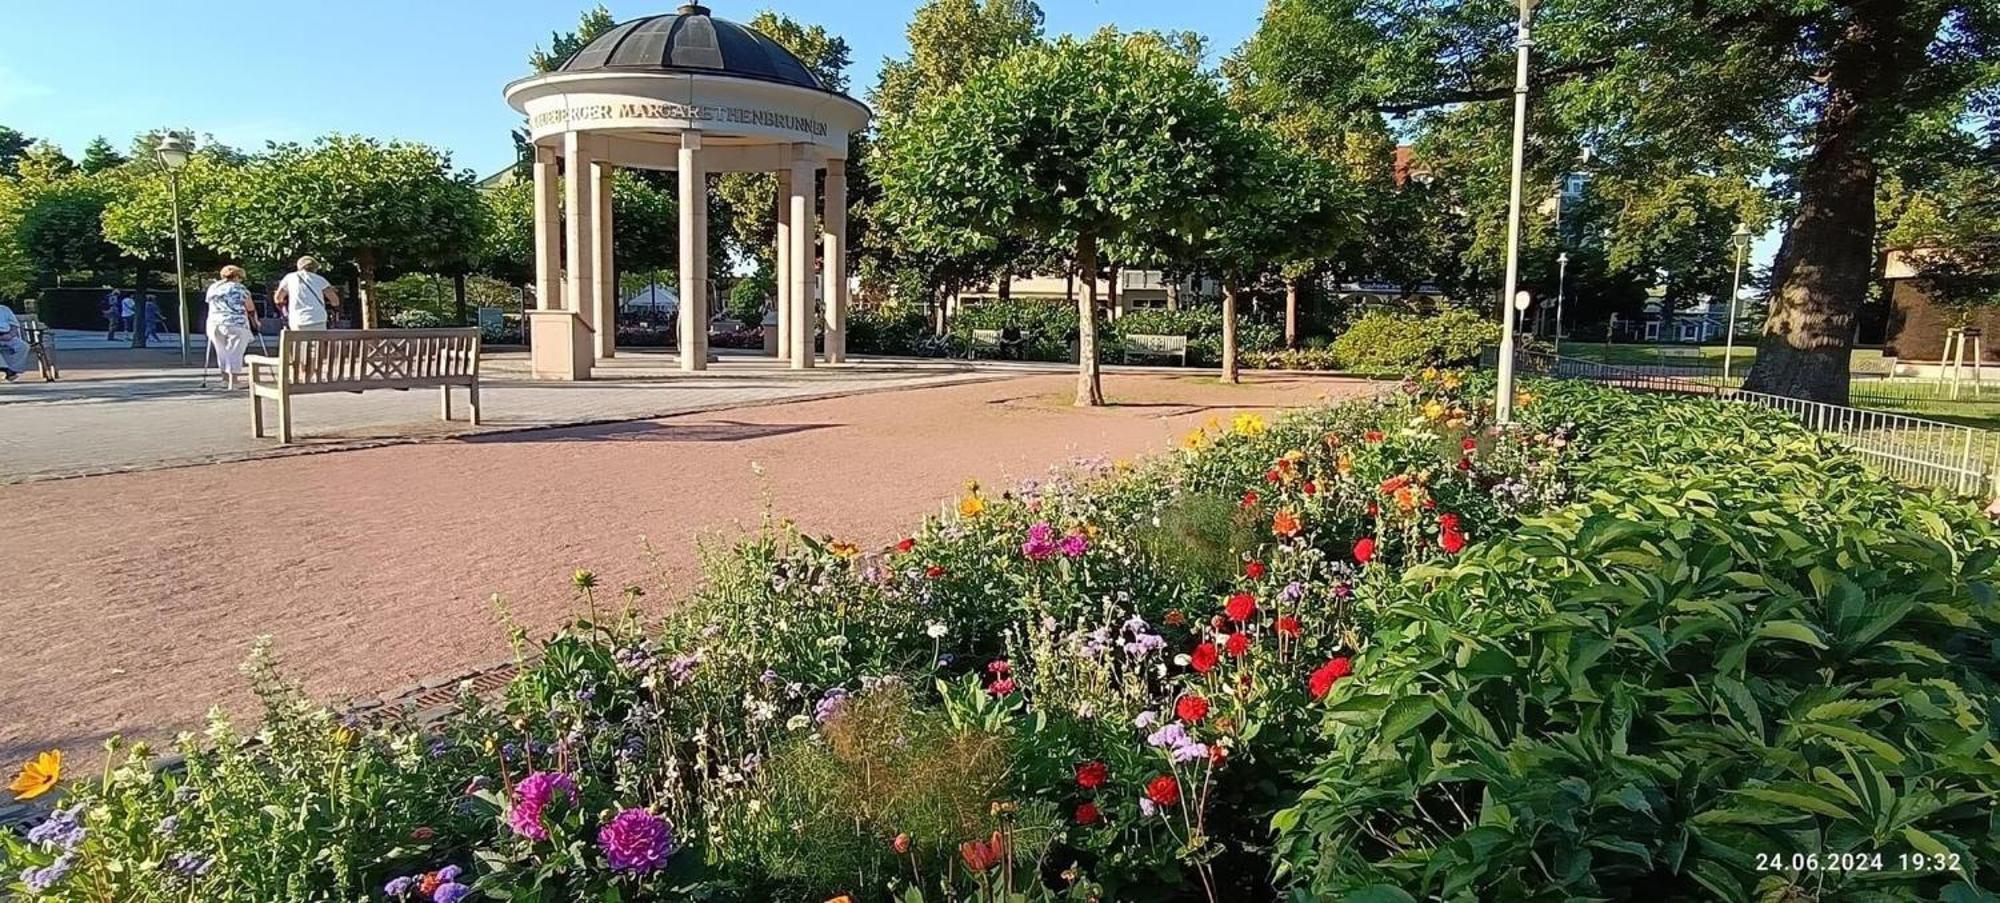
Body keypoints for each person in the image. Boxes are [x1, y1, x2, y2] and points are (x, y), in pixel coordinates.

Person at [205, 265, 260, 389]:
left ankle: (224, 379)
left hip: (215, 323)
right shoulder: (240, 288)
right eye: (241, 278)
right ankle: (234, 381)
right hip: (236, 323)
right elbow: (250, 308)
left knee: (221, 351)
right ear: (236, 277)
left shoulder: (213, 287)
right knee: (235, 351)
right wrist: (255, 321)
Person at [273, 256, 340, 330]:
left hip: (298, 320)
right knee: (318, 340)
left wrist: (284, 310)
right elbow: (335, 301)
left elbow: (278, 298)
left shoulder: (289, 278)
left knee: (299, 340)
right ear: (315, 268)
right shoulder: (320, 280)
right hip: (318, 319)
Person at [0, 304, 31, 382]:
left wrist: (10, 335)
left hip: (7, 334)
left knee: (24, 346)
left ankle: (11, 370)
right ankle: (5, 369)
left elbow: (14, 325)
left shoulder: (5, 309)